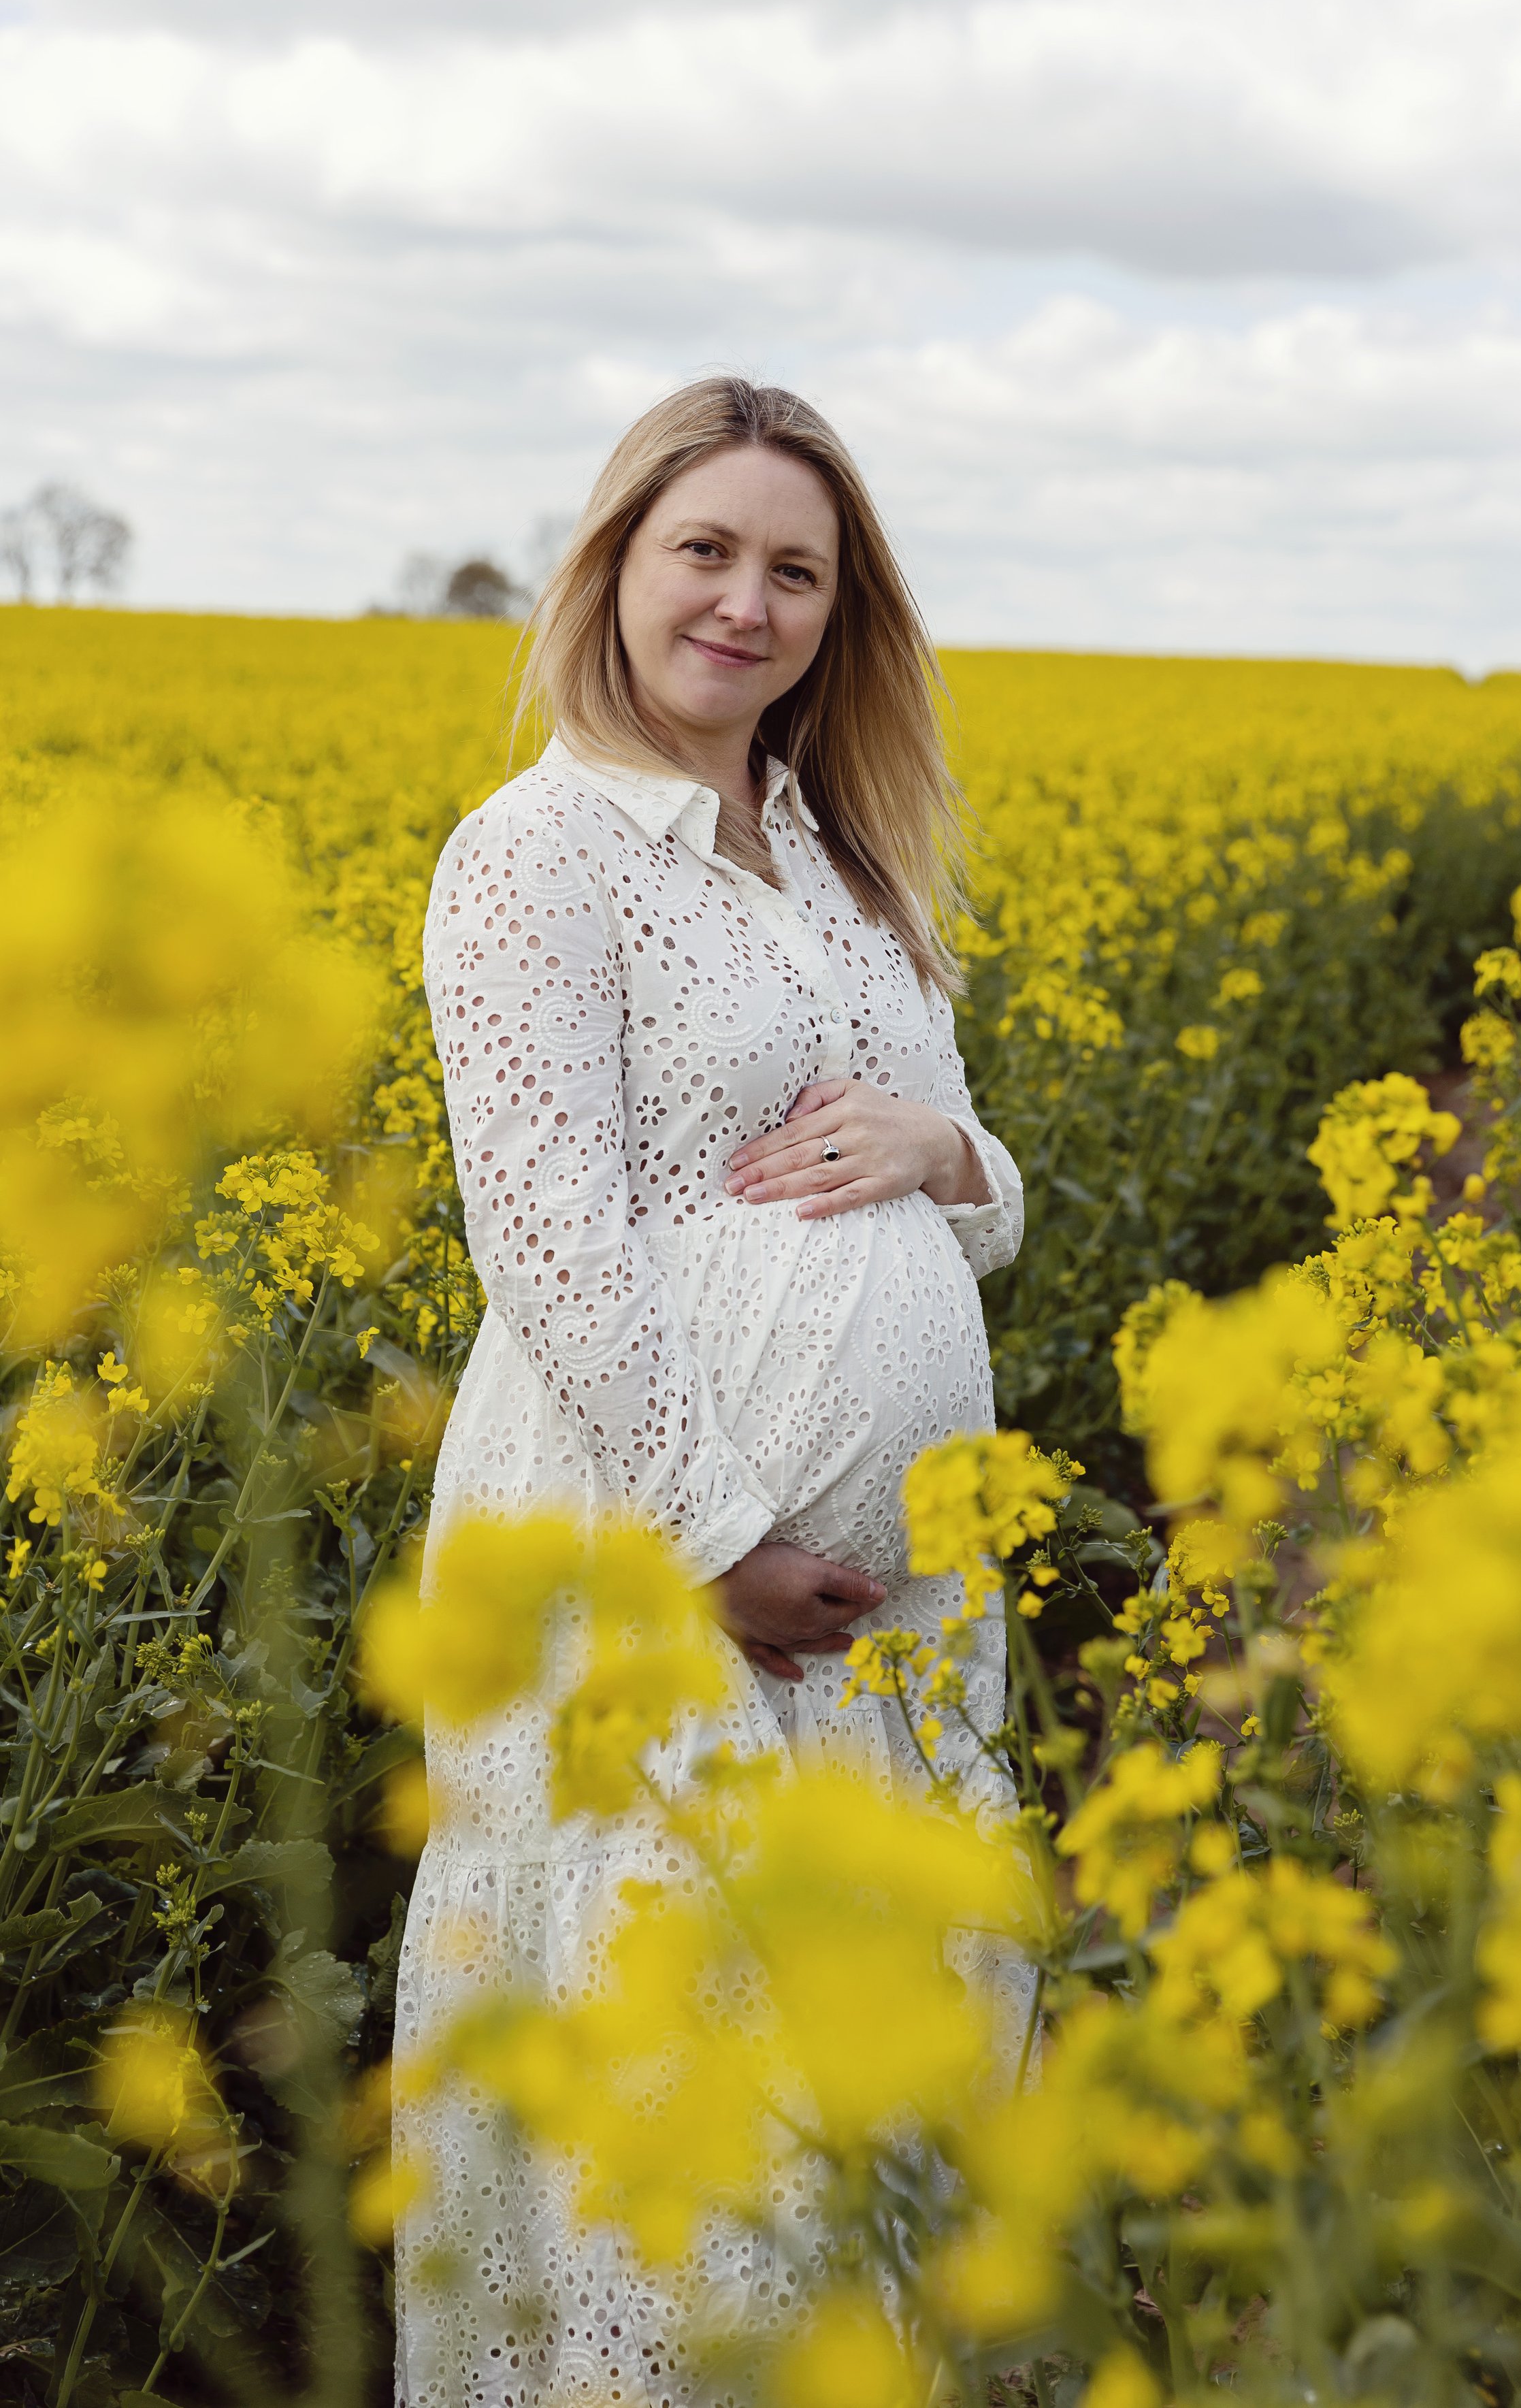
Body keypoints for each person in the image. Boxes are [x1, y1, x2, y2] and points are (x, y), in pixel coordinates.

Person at [392, 376, 1024, 2407]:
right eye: (706, 550)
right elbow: (550, 1238)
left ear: (840, 617)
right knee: (667, 2071)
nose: (745, 603)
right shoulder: (538, 854)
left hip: (896, 1636)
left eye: (795, 571)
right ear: (616, 564)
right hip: (649, 1572)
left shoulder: (846, 862)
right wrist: (723, 1537)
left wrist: (947, 1158)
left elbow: (970, 1192)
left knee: (852, 2068)